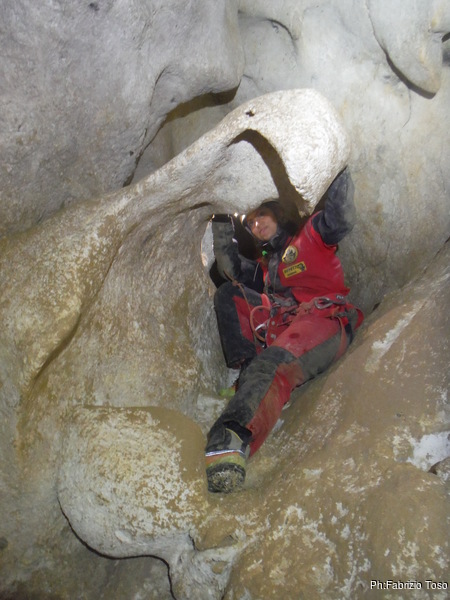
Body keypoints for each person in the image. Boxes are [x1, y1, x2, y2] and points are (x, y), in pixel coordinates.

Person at [205, 167, 364, 493]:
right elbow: (229, 269)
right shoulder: (268, 265)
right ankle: (246, 373)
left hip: (322, 319)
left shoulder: (311, 234)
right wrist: (221, 217)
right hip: (283, 323)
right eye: (250, 222)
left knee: (274, 363)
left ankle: (232, 439)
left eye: (261, 215)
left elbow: (340, 219)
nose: (256, 224)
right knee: (229, 293)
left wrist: (336, 169)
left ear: (278, 212)